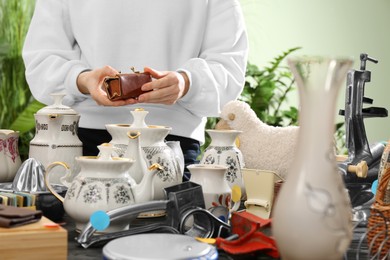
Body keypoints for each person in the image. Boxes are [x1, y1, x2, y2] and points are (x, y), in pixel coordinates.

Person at [22, 0, 249, 181]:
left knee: (169, 236)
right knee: (78, 234)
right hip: (84, 139)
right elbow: (42, 59)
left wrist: (187, 82)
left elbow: (229, 67)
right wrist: (82, 80)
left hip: (172, 143)